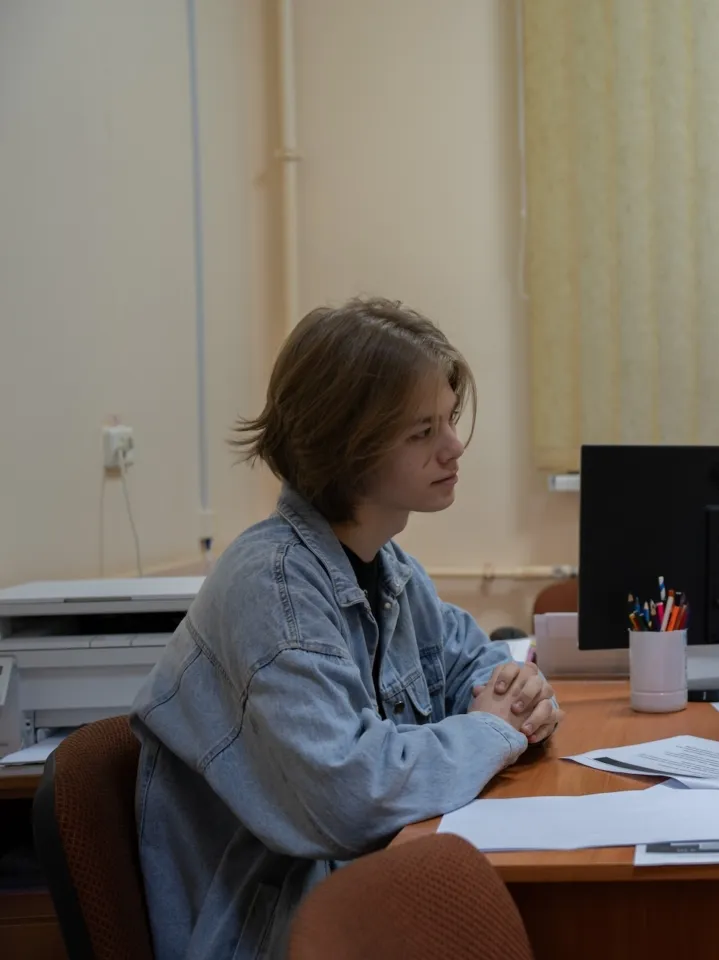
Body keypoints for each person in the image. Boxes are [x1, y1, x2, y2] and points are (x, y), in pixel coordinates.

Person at [131, 298, 563, 960]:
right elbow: (351, 794)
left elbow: (468, 666)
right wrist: (494, 727)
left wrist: (515, 689)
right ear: (343, 450)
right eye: (421, 432)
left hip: (356, 896)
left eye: (448, 419)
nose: (453, 447)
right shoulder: (272, 586)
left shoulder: (386, 564)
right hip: (278, 930)